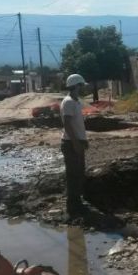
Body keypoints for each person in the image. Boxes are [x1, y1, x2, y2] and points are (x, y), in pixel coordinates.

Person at [61, 73, 89, 218]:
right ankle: (73, 207)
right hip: (71, 143)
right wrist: (76, 143)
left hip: (77, 142)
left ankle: (78, 202)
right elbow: (67, 124)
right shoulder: (69, 102)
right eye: (82, 85)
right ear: (76, 86)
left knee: (79, 173)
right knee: (73, 175)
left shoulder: (76, 101)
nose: (83, 88)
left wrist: (83, 140)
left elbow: (77, 125)